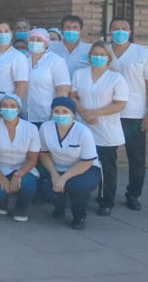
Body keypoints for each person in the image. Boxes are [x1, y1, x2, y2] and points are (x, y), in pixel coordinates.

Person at [108, 17, 148, 211]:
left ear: (130, 32)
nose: (120, 31)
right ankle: (107, 194)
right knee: (107, 158)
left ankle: (133, 194)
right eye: (116, 28)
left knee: (136, 157)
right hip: (108, 113)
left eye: (124, 28)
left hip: (134, 114)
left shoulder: (142, 53)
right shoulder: (104, 52)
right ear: (109, 31)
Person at [70, 42, 128, 216]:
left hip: (106, 129)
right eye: (95, 54)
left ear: (109, 58)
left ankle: (106, 200)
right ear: (89, 57)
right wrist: (84, 113)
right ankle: (80, 196)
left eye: (102, 55)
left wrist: (96, 113)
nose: (98, 57)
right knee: (82, 163)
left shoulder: (116, 78)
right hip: (83, 125)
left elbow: (120, 103)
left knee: (106, 168)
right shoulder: (79, 74)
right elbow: (73, 96)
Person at [38, 96, 101, 230]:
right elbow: (44, 154)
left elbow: (87, 161)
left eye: (65, 112)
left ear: (73, 114)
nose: (60, 115)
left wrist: (63, 178)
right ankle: (59, 206)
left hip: (85, 168)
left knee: (77, 187)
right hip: (57, 167)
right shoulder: (46, 127)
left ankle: (79, 217)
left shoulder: (83, 131)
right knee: (45, 186)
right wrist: (54, 175)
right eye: (57, 111)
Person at [0, 94, 40, 221]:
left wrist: (19, 174)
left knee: (28, 186)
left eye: (12, 106)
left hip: (23, 168)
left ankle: (21, 207)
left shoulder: (31, 129)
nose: (8, 109)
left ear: (19, 109)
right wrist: (1, 176)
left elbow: (32, 158)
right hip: (0, 167)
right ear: (0, 109)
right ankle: (1, 202)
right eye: (5, 106)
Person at [25, 28, 71, 126]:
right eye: (32, 39)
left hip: (47, 115)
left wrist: (56, 113)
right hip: (24, 115)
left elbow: (63, 89)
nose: (35, 42)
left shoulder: (56, 61)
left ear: (46, 43)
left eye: (39, 40)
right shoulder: (23, 58)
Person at [0, 21, 29, 111]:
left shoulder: (18, 57)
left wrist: (12, 107)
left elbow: (21, 85)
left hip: (3, 105)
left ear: (12, 34)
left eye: (6, 31)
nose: (3, 34)